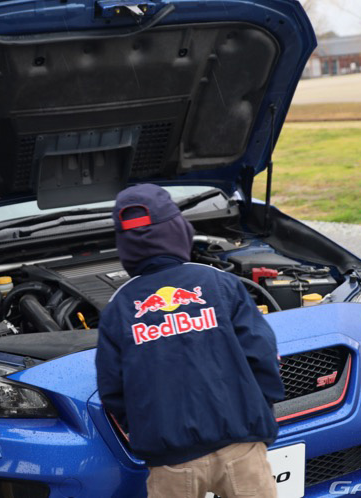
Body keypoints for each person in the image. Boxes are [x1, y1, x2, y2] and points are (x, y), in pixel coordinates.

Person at [96, 183, 285, 498]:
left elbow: (112, 390)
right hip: (240, 448)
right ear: (177, 230)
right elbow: (262, 354)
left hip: (171, 464)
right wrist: (258, 411)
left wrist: (151, 431)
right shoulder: (221, 284)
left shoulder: (118, 308)